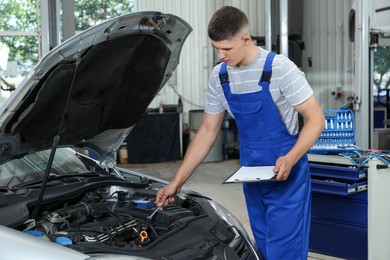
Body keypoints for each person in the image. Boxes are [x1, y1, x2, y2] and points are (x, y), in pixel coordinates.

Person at [156, 5, 325, 260]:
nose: (220, 55)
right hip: (252, 178)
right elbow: (208, 131)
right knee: (262, 250)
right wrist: (177, 182)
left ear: (246, 40)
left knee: (285, 253)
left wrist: (290, 157)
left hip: (286, 179)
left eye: (226, 49)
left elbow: (316, 120)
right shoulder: (220, 77)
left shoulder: (281, 69)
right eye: (216, 48)